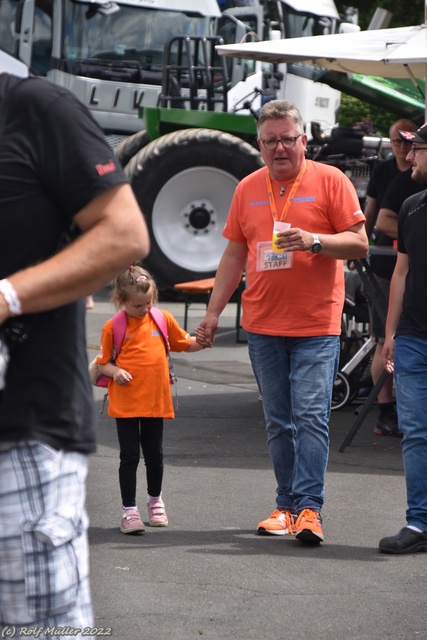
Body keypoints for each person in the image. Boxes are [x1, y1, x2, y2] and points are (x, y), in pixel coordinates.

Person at [0, 73, 150, 632]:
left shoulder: (34, 109)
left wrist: (7, 296)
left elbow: (124, 234)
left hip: (21, 437)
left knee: (38, 632)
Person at [195, 99, 368, 544]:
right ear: (259, 144)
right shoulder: (248, 188)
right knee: (278, 421)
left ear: (303, 140)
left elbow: (359, 243)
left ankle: (309, 509)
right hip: (263, 324)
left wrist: (313, 242)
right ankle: (286, 506)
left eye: (287, 139)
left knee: (310, 416)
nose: (279, 149)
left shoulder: (331, 181)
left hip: (316, 324)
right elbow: (235, 254)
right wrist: (213, 315)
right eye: (269, 141)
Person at [96, 265, 205, 535]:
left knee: (155, 455)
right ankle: (129, 510)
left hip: (155, 401)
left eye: (149, 302)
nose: (145, 309)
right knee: (129, 456)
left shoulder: (162, 318)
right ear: (121, 301)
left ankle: (155, 501)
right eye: (138, 305)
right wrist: (116, 371)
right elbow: (102, 364)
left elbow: (183, 343)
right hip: (126, 403)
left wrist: (204, 340)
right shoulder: (113, 326)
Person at [379, 122, 427, 554]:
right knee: (414, 431)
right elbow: (401, 273)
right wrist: (390, 333)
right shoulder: (411, 205)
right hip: (413, 338)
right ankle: (419, 523)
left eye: (418, 151)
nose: (410, 157)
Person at [363, 118, 417, 437]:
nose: (403, 148)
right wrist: (361, 245)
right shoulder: (390, 176)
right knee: (386, 338)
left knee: (406, 339)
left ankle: (404, 410)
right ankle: (385, 412)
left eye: (408, 142)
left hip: (409, 265)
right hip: (387, 264)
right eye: (397, 141)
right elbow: (377, 219)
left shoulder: (412, 178)